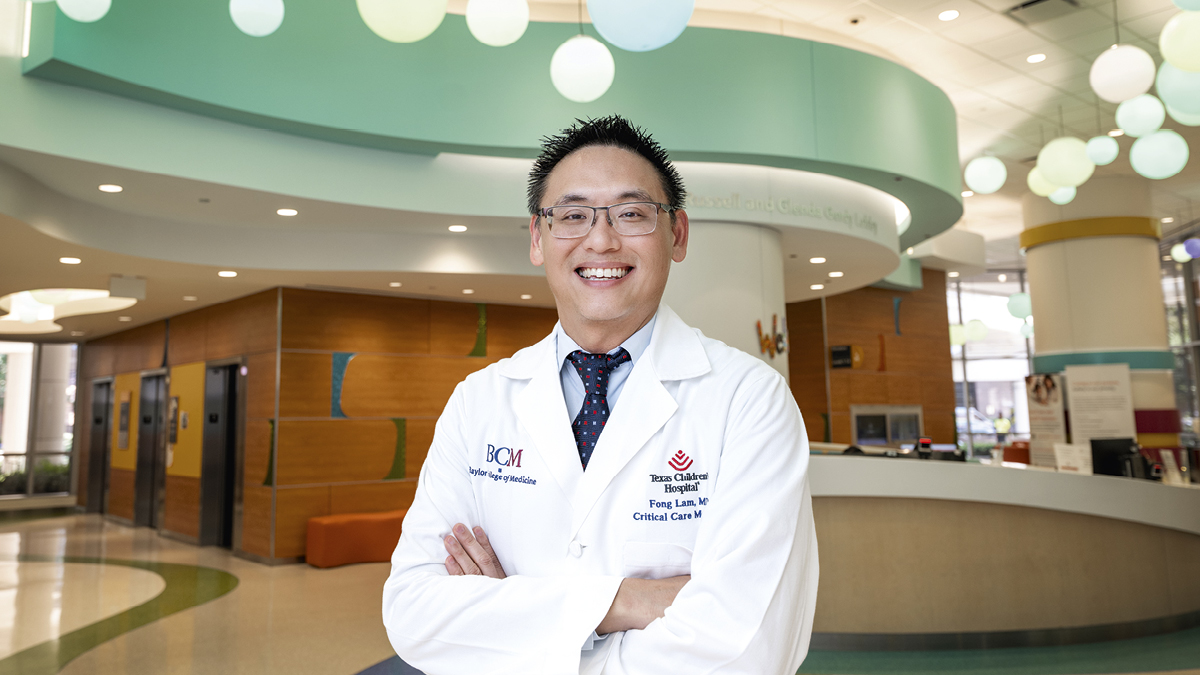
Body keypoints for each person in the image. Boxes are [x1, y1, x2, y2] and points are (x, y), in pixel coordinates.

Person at [382, 115, 819, 675]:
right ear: (538, 239)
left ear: (677, 235)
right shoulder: (479, 402)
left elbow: (750, 644)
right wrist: (629, 601)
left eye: (632, 213)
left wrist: (512, 620)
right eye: (572, 215)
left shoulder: (749, 399)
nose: (601, 239)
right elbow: (414, 613)